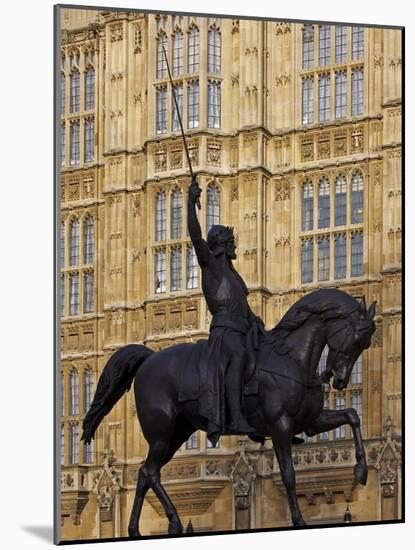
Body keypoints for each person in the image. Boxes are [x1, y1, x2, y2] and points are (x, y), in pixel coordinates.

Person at [187, 177, 263, 444]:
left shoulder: (233, 275)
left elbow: (241, 305)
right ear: (221, 244)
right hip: (225, 332)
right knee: (240, 355)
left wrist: (255, 320)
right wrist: (190, 202)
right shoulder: (211, 266)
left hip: (242, 329)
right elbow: (195, 237)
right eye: (230, 241)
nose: (234, 245)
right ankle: (236, 417)